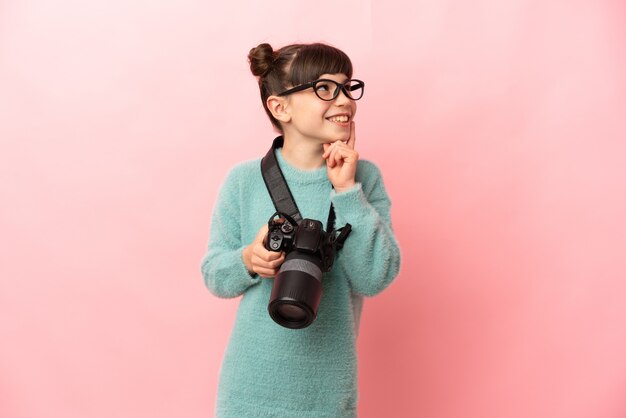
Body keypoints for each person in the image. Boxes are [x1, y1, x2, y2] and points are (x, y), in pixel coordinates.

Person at [201, 42, 401, 418]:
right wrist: (248, 259)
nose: (344, 100)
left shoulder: (364, 179)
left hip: (327, 396)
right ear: (281, 106)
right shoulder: (243, 181)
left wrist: (346, 191)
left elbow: (375, 278)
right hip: (247, 392)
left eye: (347, 87)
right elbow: (213, 274)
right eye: (325, 88)